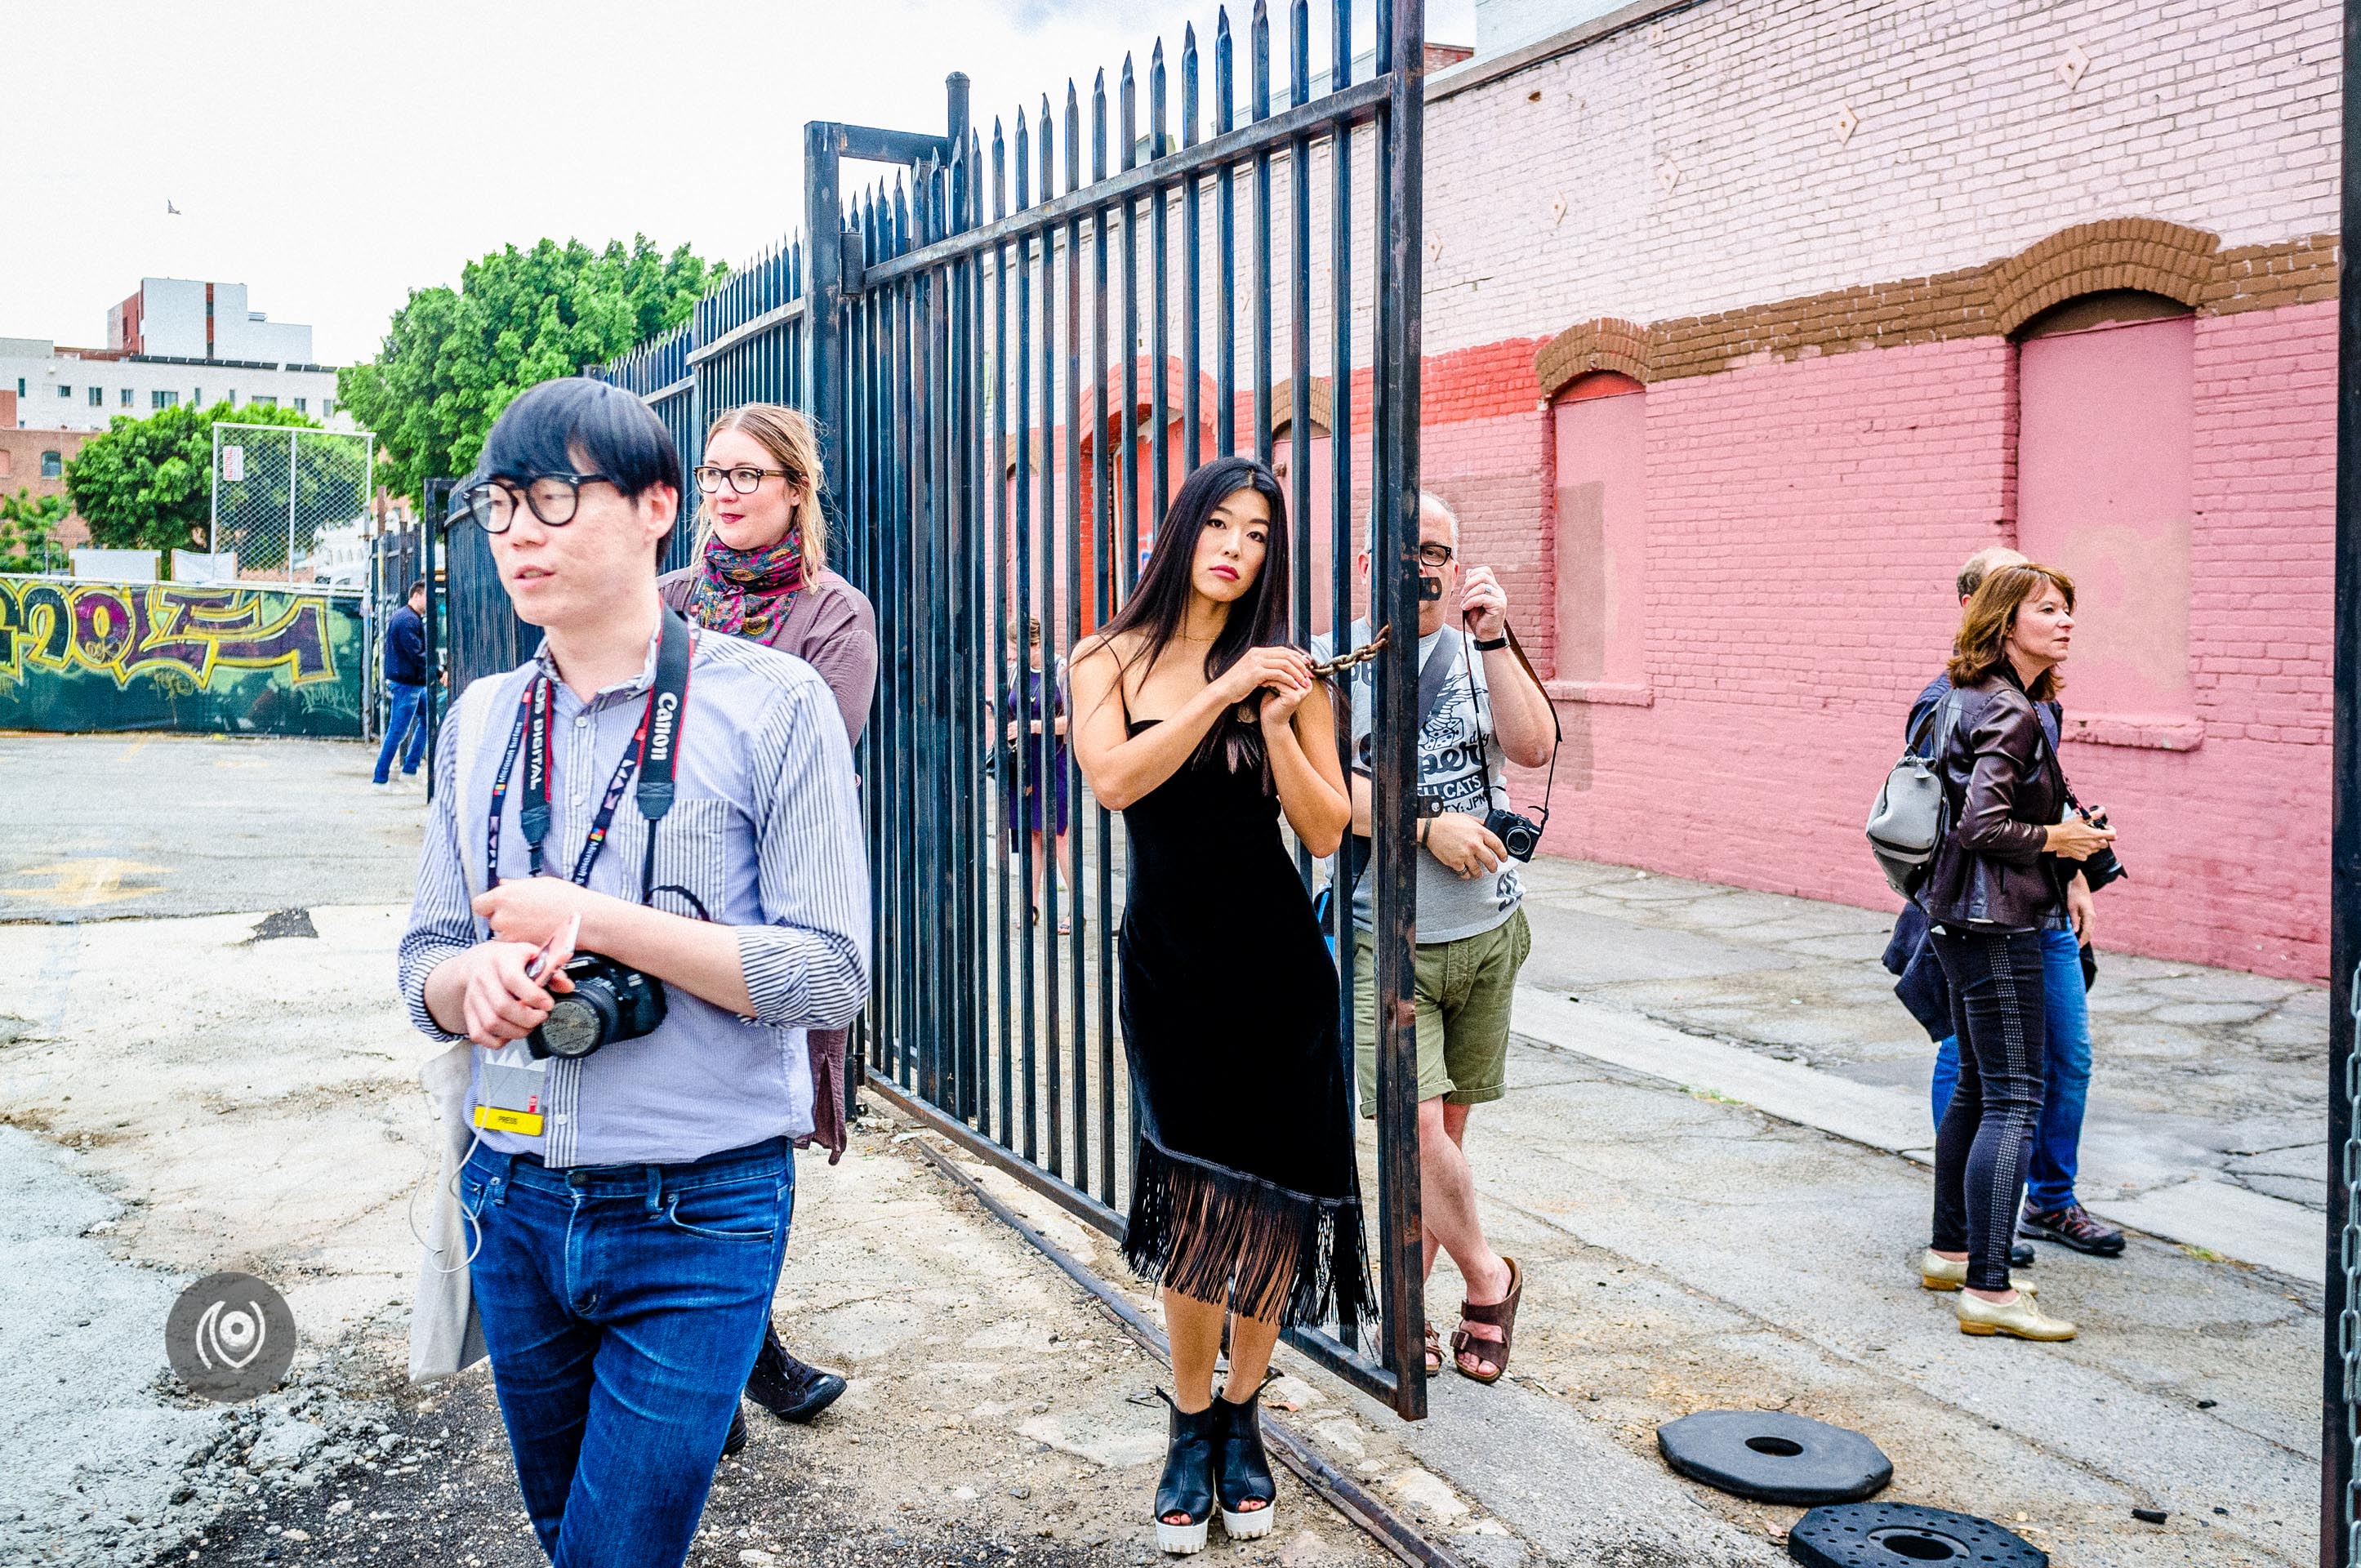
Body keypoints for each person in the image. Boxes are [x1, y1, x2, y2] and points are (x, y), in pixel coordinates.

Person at [397, 377, 869, 1567]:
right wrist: (477, 988)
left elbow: (827, 977)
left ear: (658, 506)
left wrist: (596, 920)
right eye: (498, 506)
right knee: (569, 1539)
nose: (517, 534)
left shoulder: (777, 704)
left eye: (553, 498)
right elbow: (424, 962)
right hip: (509, 1198)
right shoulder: (480, 722)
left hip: (698, 1206)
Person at [1067, 454, 1368, 1555]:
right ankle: (1187, 1423)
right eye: (1219, 525)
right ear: (1181, 532)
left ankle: (1244, 1412)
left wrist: (1282, 721)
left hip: (1280, 971)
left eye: (1256, 534)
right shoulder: (1103, 657)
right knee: (1196, 1207)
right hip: (1171, 969)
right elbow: (1115, 780)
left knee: (1276, 1207)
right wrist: (1219, 692)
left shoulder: (1291, 674)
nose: (1236, 548)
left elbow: (1328, 831)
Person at [660, 402, 872, 1429]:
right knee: (667, 1120)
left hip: (778, 916)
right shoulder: (658, 601)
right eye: (712, 475)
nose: (726, 493)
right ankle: (733, 1353)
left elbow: (811, 756)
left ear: (794, 490)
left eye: (748, 475)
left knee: (760, 1128)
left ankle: (738, 1347)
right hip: (656, 908)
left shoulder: (832, 614)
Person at [1311, 492, 1553, 1384]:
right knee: (1412, 1131)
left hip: (1487, 930)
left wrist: (1492, 636)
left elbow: (1531, 747)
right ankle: (1489, 1281)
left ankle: (1405, 1303)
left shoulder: (1472, 647)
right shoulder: (1337, 664)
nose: (1424, 564)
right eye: (1405, 548)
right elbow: (1327, 786)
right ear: (1370, 561)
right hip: (1388, 933)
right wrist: (1423, 825)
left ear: (1455, 565)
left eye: (1438, 551)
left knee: (1446, 1134)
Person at [1905, 547, 2125, 1263]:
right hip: (1986, 910)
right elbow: (1964, 822)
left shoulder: (2033, 702)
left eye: (2066, 609)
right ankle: (1980, 1257)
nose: (2065, 623)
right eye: (2046, 608)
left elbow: (2042, 796)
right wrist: (2054, 839)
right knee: (1997, 1084)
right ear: (1987, 610)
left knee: (2055, 1061)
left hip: (2033, 903)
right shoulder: (1967, 701)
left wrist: (2075, 867)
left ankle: (2022, 1216)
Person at [1003, 616, 1074, 933]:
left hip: (1054, 761)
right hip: (1025, 763)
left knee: (1060, 837)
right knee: (1031, 837)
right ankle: (1030, 907)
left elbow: (1072, 721)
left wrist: (1033, 726)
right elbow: (1009, 709)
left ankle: (1076, 909)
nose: (1015, 655)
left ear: (1036, 644)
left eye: (1020, 648)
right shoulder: (1016, 672)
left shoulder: (1061, 671)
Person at [373, 578, 429, 788]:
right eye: (427, 597)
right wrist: (437, 670)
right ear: (416, 595)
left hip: (412, 682)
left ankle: (410, 768)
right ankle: (380, 778)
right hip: (408, 683)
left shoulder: (408, 617)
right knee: (397, 730)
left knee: (428, 719)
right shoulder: (407, 620)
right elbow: (417, 654)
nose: (429, 602)